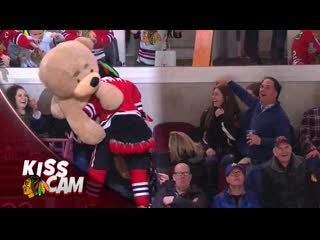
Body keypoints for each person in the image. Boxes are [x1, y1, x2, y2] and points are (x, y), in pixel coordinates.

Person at [216, 76, 291, 165]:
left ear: (275, 93)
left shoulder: (280, 116)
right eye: (262, 86)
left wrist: (261, 141)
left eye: (267, 87)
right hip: (250, 156)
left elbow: (284, 141)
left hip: (266, 162)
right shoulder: (257, 105)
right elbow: (244, 95)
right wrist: (229, 82)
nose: (262, 90)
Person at [261, 136, 308, 208]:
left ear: (291, 148)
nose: (284, 151)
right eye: (280, 148)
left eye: (286, 147)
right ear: (274, 152)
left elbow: (310, 190)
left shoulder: (303, 163)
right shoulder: (266, 170)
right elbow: (268, 198)